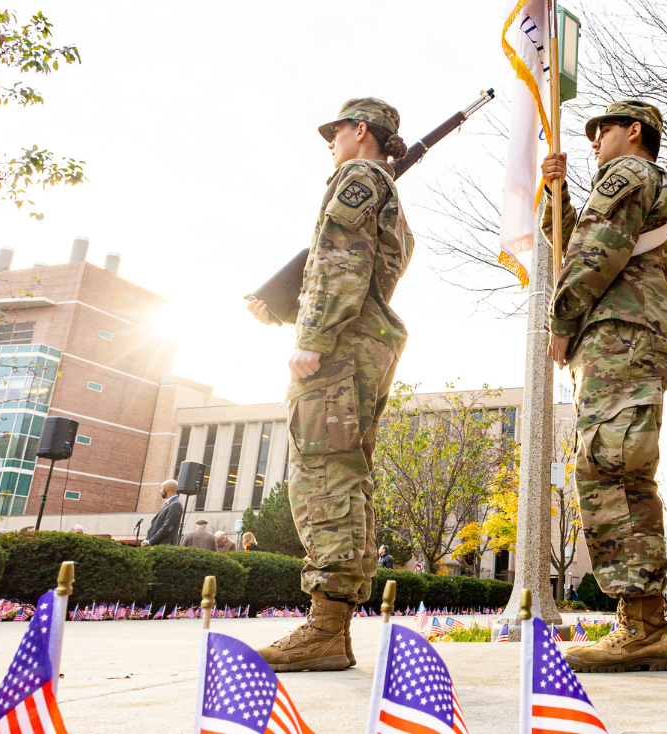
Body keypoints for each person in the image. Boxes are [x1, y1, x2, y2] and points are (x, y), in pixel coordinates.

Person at [244, 98, 412, 673]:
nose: (331, 141)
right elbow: (365, 270)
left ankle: (325, 628)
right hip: (363, 339)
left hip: (341, 347)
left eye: (336, 130)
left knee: (323, 474)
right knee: (345, 473)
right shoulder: (386, 191)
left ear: (360, 130)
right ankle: (332, 626)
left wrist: (310, 337)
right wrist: (291, 311)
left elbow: (341, 263)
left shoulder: (357, 177)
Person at [541, 100, 667, 674]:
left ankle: (643, 625)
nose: (595, 140)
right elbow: (579, 240)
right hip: (625, 338)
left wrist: (561, 318)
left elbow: (592, 254)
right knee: (619, 471)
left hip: (621, 337)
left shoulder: (628, 174)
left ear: (634, 131)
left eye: (604, 130)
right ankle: (643, 620)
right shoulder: (629, 182)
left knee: (610, 471)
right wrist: (560, 197)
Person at [140, 479, 183, 546]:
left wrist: (150, 542)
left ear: (168, 489)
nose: (160, 491)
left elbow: (167, 527)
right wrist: (147, 539)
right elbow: (157, 526)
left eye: (162, 488)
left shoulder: (175, 505)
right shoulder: (169, 503)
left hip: (164, 546)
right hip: (158, 544)